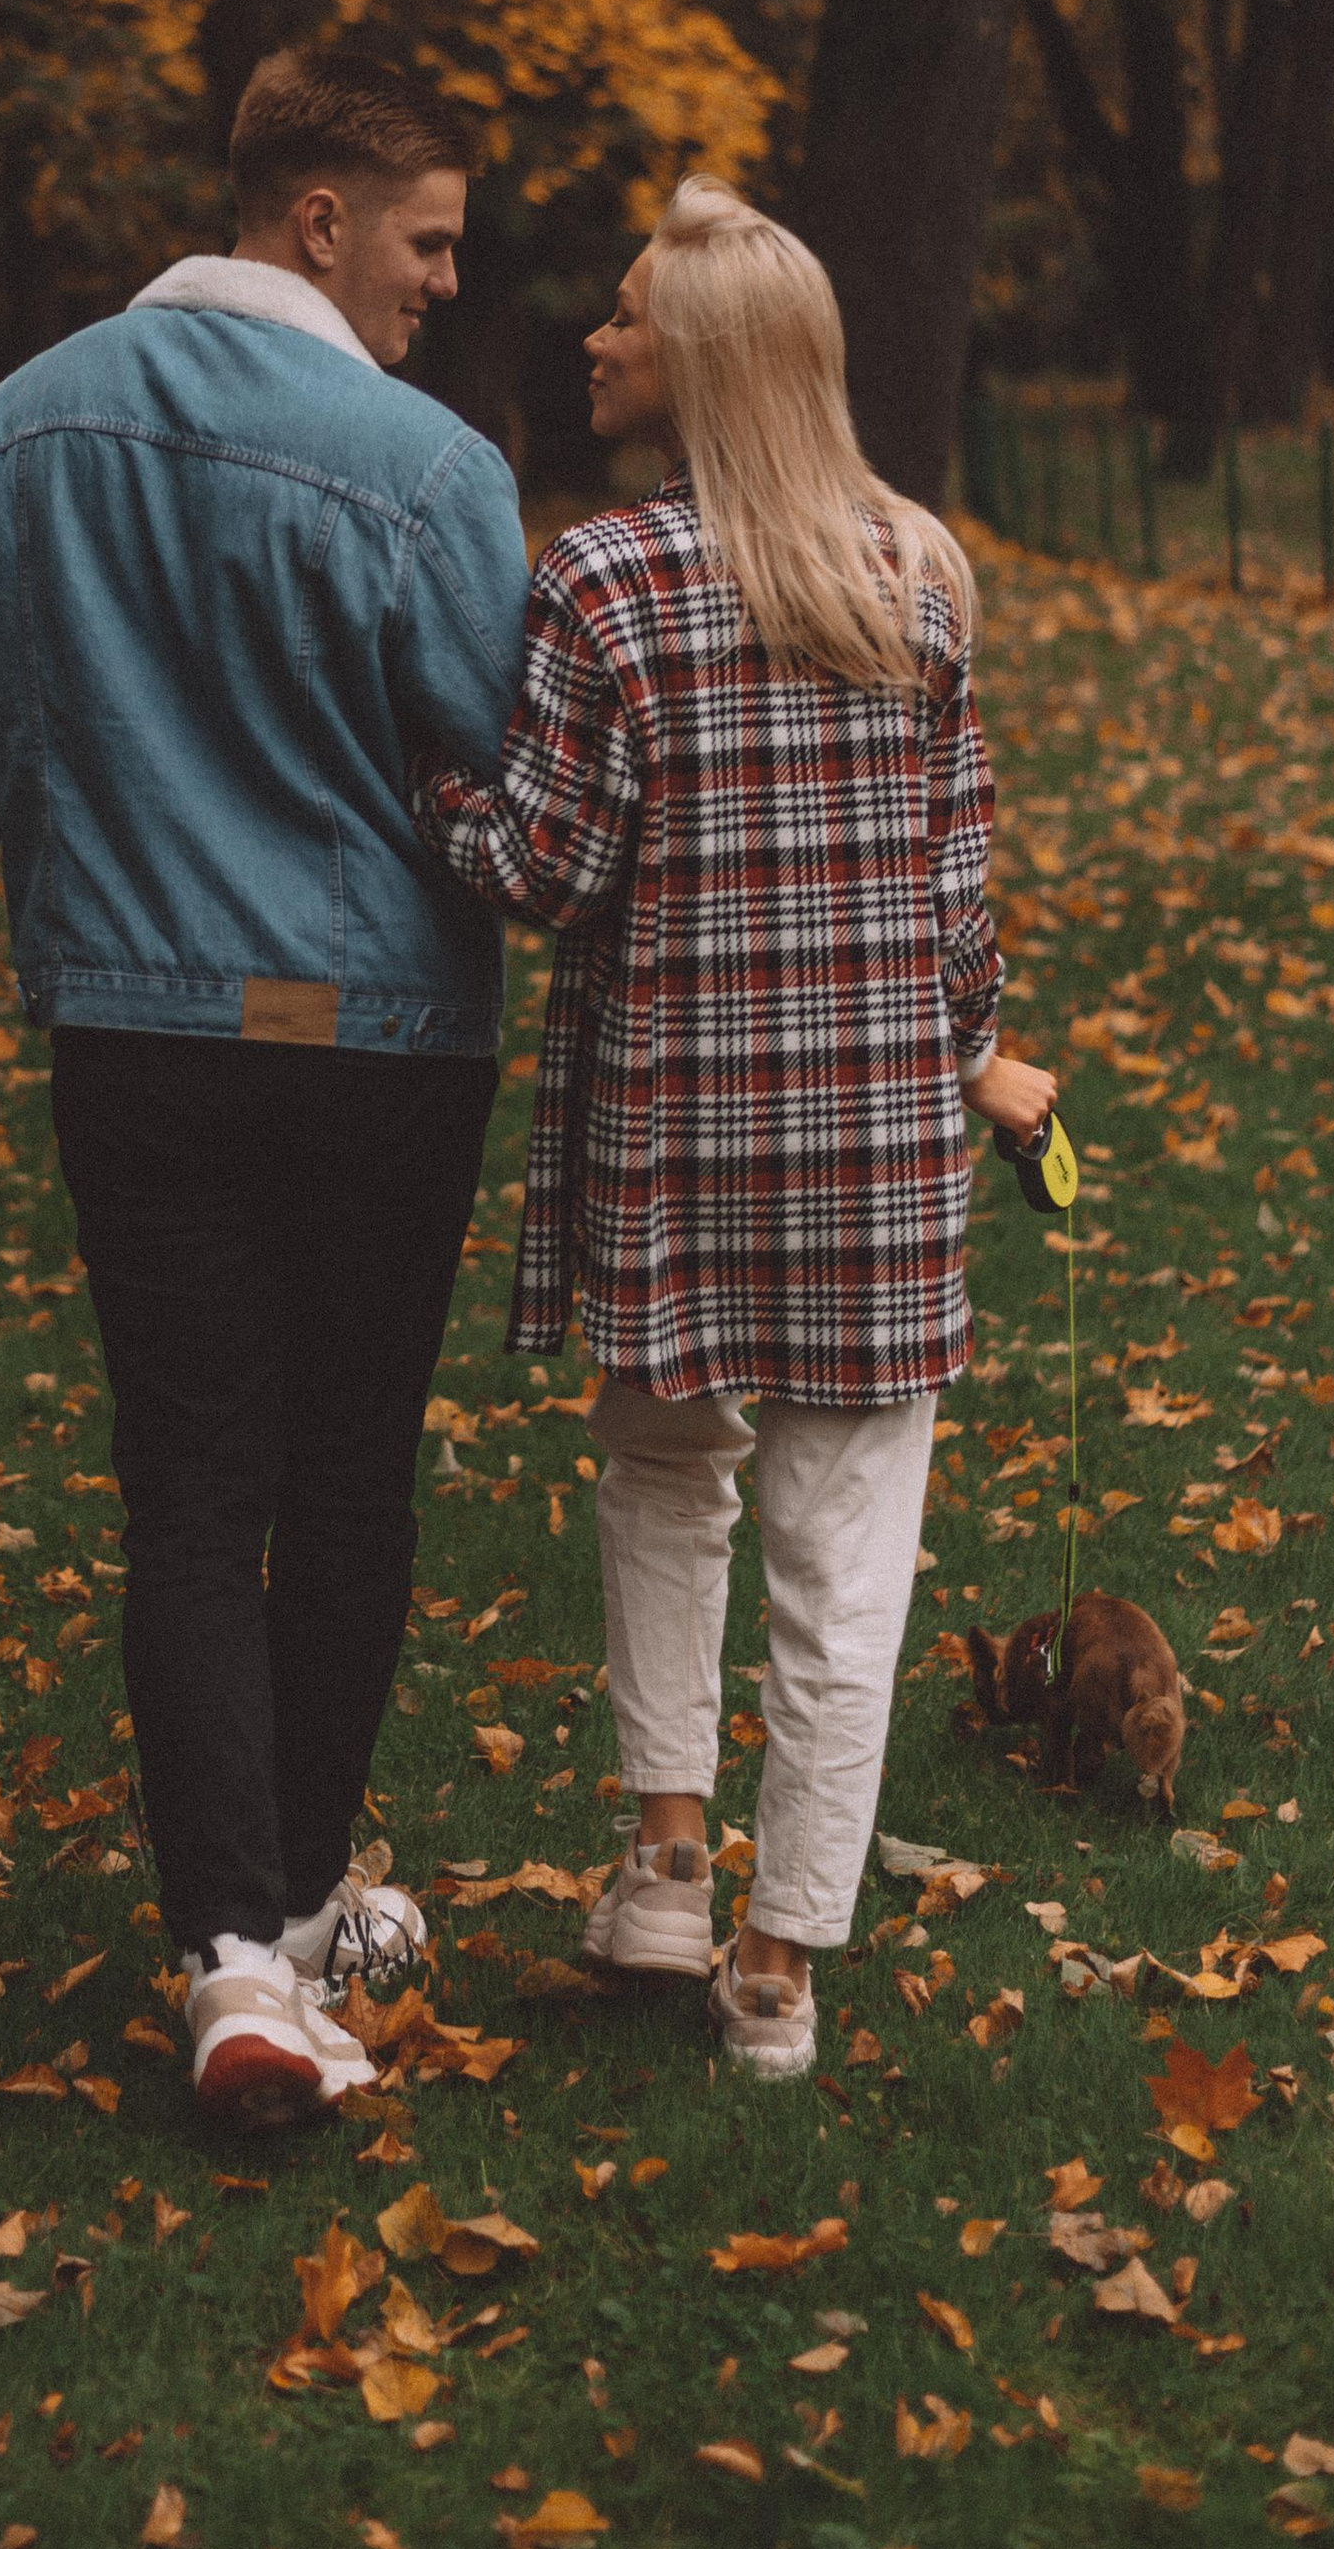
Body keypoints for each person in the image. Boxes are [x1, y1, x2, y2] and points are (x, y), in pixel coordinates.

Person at [0, 46, 530, 2128]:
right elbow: (503, 761)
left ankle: (235, 1955)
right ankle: (287, 1914)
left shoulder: (25, 427)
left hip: (136, 1041)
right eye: (426, 243)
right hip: (378, 1042)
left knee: (193, 1490)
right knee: (350, 1475)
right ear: (319, 219)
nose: (443, 284)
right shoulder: (429, 468)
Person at [414, 177, 1054, 2083]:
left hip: (681, 1128)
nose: (595, 336)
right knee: (846, 1559)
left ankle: (668, 1858)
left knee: (663, 1475)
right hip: (875, 1143)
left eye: (626, 314)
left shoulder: (602, 578)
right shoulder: (919, 571)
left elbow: (549, 865)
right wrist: (978, 1056)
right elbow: (955, 885)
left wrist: (429, 789)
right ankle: (776, 1968)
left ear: (697, 357)